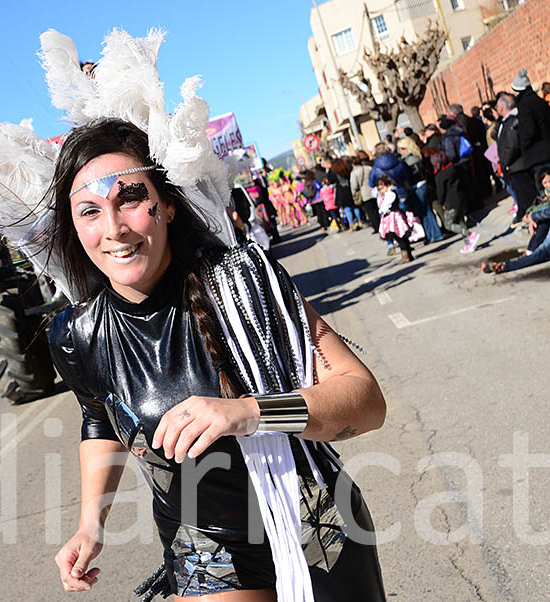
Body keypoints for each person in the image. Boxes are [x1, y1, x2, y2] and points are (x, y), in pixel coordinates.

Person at [46, 119, 386, 599]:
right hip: (205, 549)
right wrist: (89, 524)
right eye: (89, 212)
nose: (114, 228)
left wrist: (250, 413)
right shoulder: (76, 335)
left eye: (128, 199)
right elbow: (100, 421)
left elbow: (367, 401)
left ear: (165, 204)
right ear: (73, 227)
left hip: (315, 521)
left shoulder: (247, 284)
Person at [483, 152, 550, 273]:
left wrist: (534, 216)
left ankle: (507, 266)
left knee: (546, 249)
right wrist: (534, 217)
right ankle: (528, 253)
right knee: (544, 219)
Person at [511, 69, 550, 191]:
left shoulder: (524, 106)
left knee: (546, 191)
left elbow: (529, 131)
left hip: (536, 156)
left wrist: (523, 146)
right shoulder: (541, 101)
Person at [495, 92, 538, 223]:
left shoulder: (513, 120)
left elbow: (512, 144)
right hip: (512, 166)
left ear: (502, 108)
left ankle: (533, 216)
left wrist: (505, 161)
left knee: (527, 194)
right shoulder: (505, 121)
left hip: (517, 164)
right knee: (520, 193)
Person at [431, 150, 480, 252]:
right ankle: (468, 243)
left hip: (451, 202)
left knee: (448, 224)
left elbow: (441, 193)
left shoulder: (440, 176)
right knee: (460, 221)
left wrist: (441, 201)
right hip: (461, 198)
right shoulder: (454, 168)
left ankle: (469, 234)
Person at [396, 138, 442, 243]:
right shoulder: (417, 156)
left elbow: (410, 176)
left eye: (401, 149)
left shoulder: (408, 161)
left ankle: (431, 235)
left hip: (416, 187)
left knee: (423, 212)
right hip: (423, 185)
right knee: (428, 210)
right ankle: (435, 234)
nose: (400, 151)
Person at [375, 175, 421, 263]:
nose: (381, 191)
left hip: (394, 217)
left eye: (382, 188)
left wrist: (381, 205)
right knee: (399, 236)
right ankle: (407, 253)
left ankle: (406, 254)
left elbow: (384, 207)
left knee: (400, 236)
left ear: (387, 186)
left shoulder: (390, 194)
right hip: (391, 217)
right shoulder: (386, 194)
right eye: (379, 189)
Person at [522, 167, 550, 253]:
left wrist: (531, 215)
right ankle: (532, 250)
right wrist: (529, 214)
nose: (549, 185)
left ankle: (532, 250)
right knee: (542, 218)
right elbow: (534, 206)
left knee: (544, 217)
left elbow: (549, 204)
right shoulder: (546, 193)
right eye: (545, 183)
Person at [351, 152, 377, 232]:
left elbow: (354, 186)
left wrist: (354, 193)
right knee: (376, 209)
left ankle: (376, 226)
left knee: (370, 212)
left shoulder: (354, 172)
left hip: (364, 194)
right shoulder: (368, 168)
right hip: (373, 190)